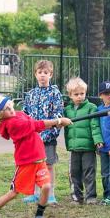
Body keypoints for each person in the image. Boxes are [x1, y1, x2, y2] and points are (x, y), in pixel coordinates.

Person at [0, 95, 72, 218]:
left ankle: (39, 215)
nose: (10, 108)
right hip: (26, 163)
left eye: (9, 104)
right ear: (0, 116)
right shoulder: (12, 124)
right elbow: (36, 125)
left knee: (46, 186)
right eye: (5, 109)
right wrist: (58, 121)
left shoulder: (19, 114)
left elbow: (38, 125)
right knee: (14, 192)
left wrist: (55, 124)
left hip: (40, 160)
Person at [22, 60, 63, 205]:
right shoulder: (31, 94)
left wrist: (48, 133)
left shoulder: (55, 93)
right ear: (35, 74)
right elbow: (25, 114)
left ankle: (50, 194)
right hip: (32, 138)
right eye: (40, 73)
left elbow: (58, 115)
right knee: (34, 165)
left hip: (48, 138)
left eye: (45, 73)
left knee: (49, 165)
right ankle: (34, 193)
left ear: (50, 74)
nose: (42, 76)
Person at [64, 77, 104, 205]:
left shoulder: (91, 107)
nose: (80, 96)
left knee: (89, 172)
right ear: (70, 95)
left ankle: (91, 196)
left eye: (82, 93)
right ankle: (76, 197)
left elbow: (95, 125)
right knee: (74, 173)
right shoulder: (67, 110)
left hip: (88, 148)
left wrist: (97, 140)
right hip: (74, 148)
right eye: (76, 94)